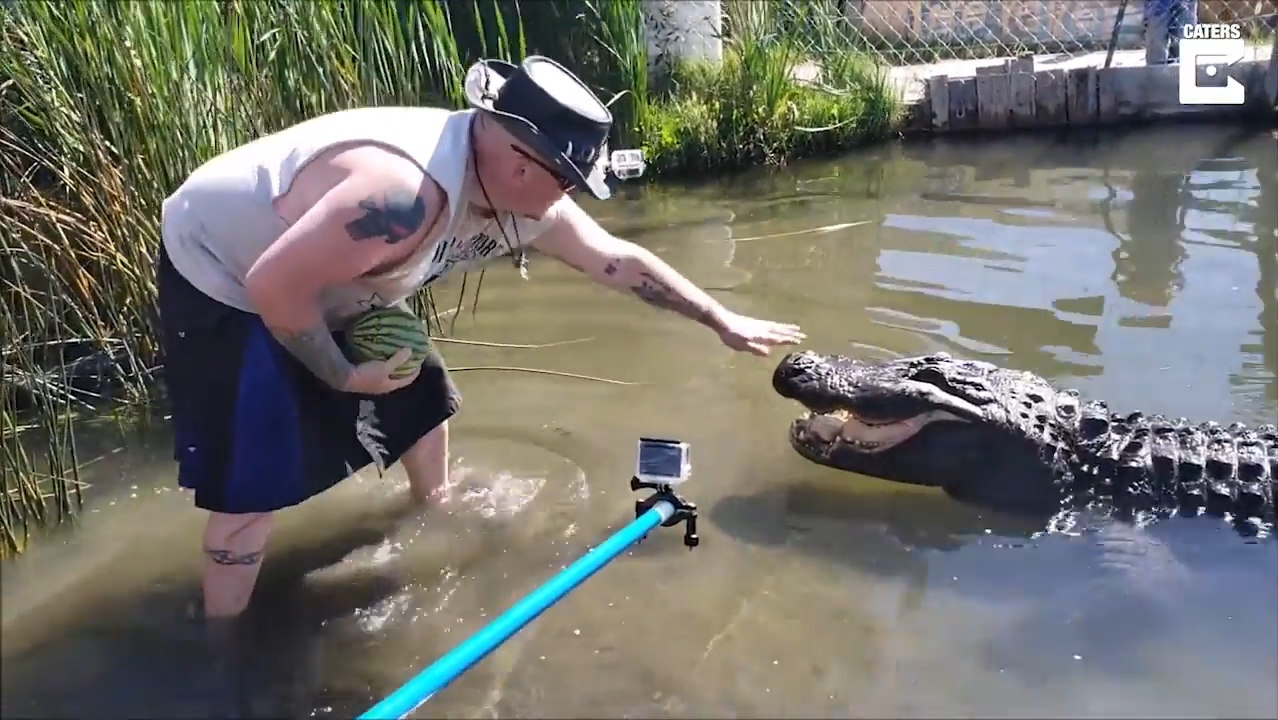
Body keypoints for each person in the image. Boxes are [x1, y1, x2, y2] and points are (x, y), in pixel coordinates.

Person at [157, 54, 805, 631]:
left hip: (338, 266)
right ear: (522, 164)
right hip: (230, 272)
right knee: (255, 470)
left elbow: (613, 260)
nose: (571, 200)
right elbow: (275, 286)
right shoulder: (400, 197)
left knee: (421, 385)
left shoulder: (521, 198)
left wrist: (720, 317)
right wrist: (342, 376)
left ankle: (434, 500)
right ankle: (224, 636)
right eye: (569, 182)